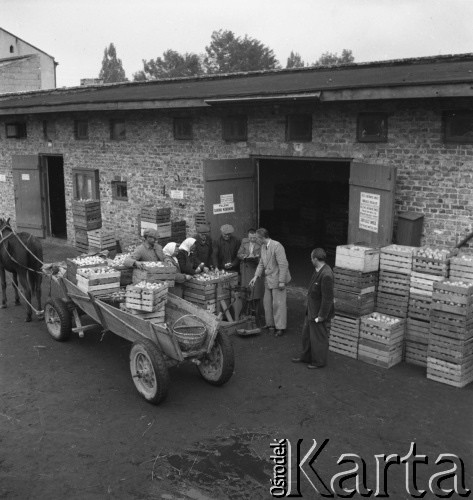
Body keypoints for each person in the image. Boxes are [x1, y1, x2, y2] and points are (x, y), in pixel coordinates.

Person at [292, 248, 334, 369]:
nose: (310, 260)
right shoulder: (318, 270)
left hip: (318, 313)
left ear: (316, 259)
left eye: (311, 258)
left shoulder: (326, 275)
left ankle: (319, 361)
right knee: (306, 335)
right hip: (311, 310)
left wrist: (322, 315)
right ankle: (306, 357)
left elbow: (328, 298)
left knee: (319, 338)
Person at [248, 228, 291, 336]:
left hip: (277, 278)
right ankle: (270, 323)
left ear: (262, 238)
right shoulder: (263, 247)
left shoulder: (277, 246)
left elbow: (283, 265)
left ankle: (280, 327)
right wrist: (255, 276)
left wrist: (281, 281)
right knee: (267, 303)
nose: (255, 239)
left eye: (257, 237)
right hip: (268, 279)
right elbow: (261, 263)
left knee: (278, 304)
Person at [238, 228, 264, 299]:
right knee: (246, 287)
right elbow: (239, 254)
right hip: (246, 267)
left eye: (254, 237)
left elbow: (264, 255)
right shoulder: (244, 241)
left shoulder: (261, 242)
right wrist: (245, 256)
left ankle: (256, 301)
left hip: (256, 267)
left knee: (256, 289)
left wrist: (257, 257)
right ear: (248, 236)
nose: (252, 239)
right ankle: (246, 299)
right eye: (250, 237)